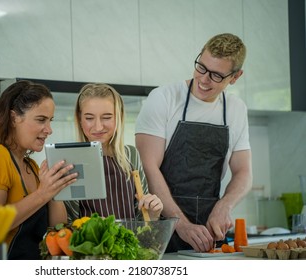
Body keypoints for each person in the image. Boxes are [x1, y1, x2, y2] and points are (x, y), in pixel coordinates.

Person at [135, 33, 253, 252]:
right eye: (201, 67)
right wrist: (181, 224)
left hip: (209, 234)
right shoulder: (163, 98)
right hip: (161, 230)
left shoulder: (236, 109)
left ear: (235, 77)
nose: (204, 79)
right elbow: (148, 169)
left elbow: (244, 172)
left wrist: (224, 206)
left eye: (216, 75)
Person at [0, 80, 78, 259]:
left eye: (50, 121)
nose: (49, 130)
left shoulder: (31, 167)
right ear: (13, 118)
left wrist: (54, 189)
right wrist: (42, 193)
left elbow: (58, 230)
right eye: (41, 119)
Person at [64, 83, 163, 222]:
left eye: (106, 117)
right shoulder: (71, 162)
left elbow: (142, 220)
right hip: (90, 243)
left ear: (119, 117)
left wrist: (153, 213)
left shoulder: (131, 155)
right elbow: (69, 222)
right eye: (89, 118)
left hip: (130, 243)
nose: (98, 126)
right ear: (80, 119)